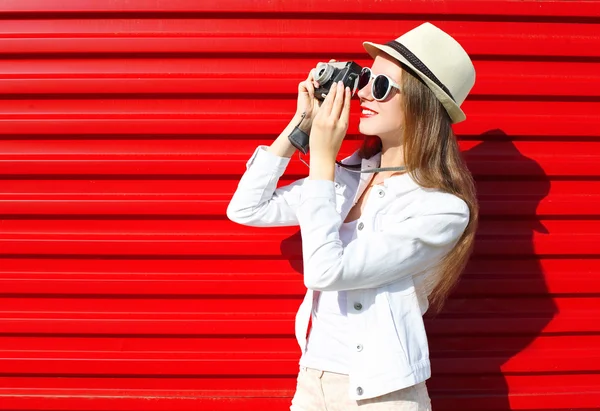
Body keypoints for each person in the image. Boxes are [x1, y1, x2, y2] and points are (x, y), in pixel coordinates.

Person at [227, 22, 478, 410]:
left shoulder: (441, 208)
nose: (361, 92)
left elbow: (327, 271)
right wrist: (300, 128)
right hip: (313, 380)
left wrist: (323, 159)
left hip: (382, 396)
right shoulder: (349, 174)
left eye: (380, 86)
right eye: (363, 78)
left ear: (421, 103)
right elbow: (246, 208)